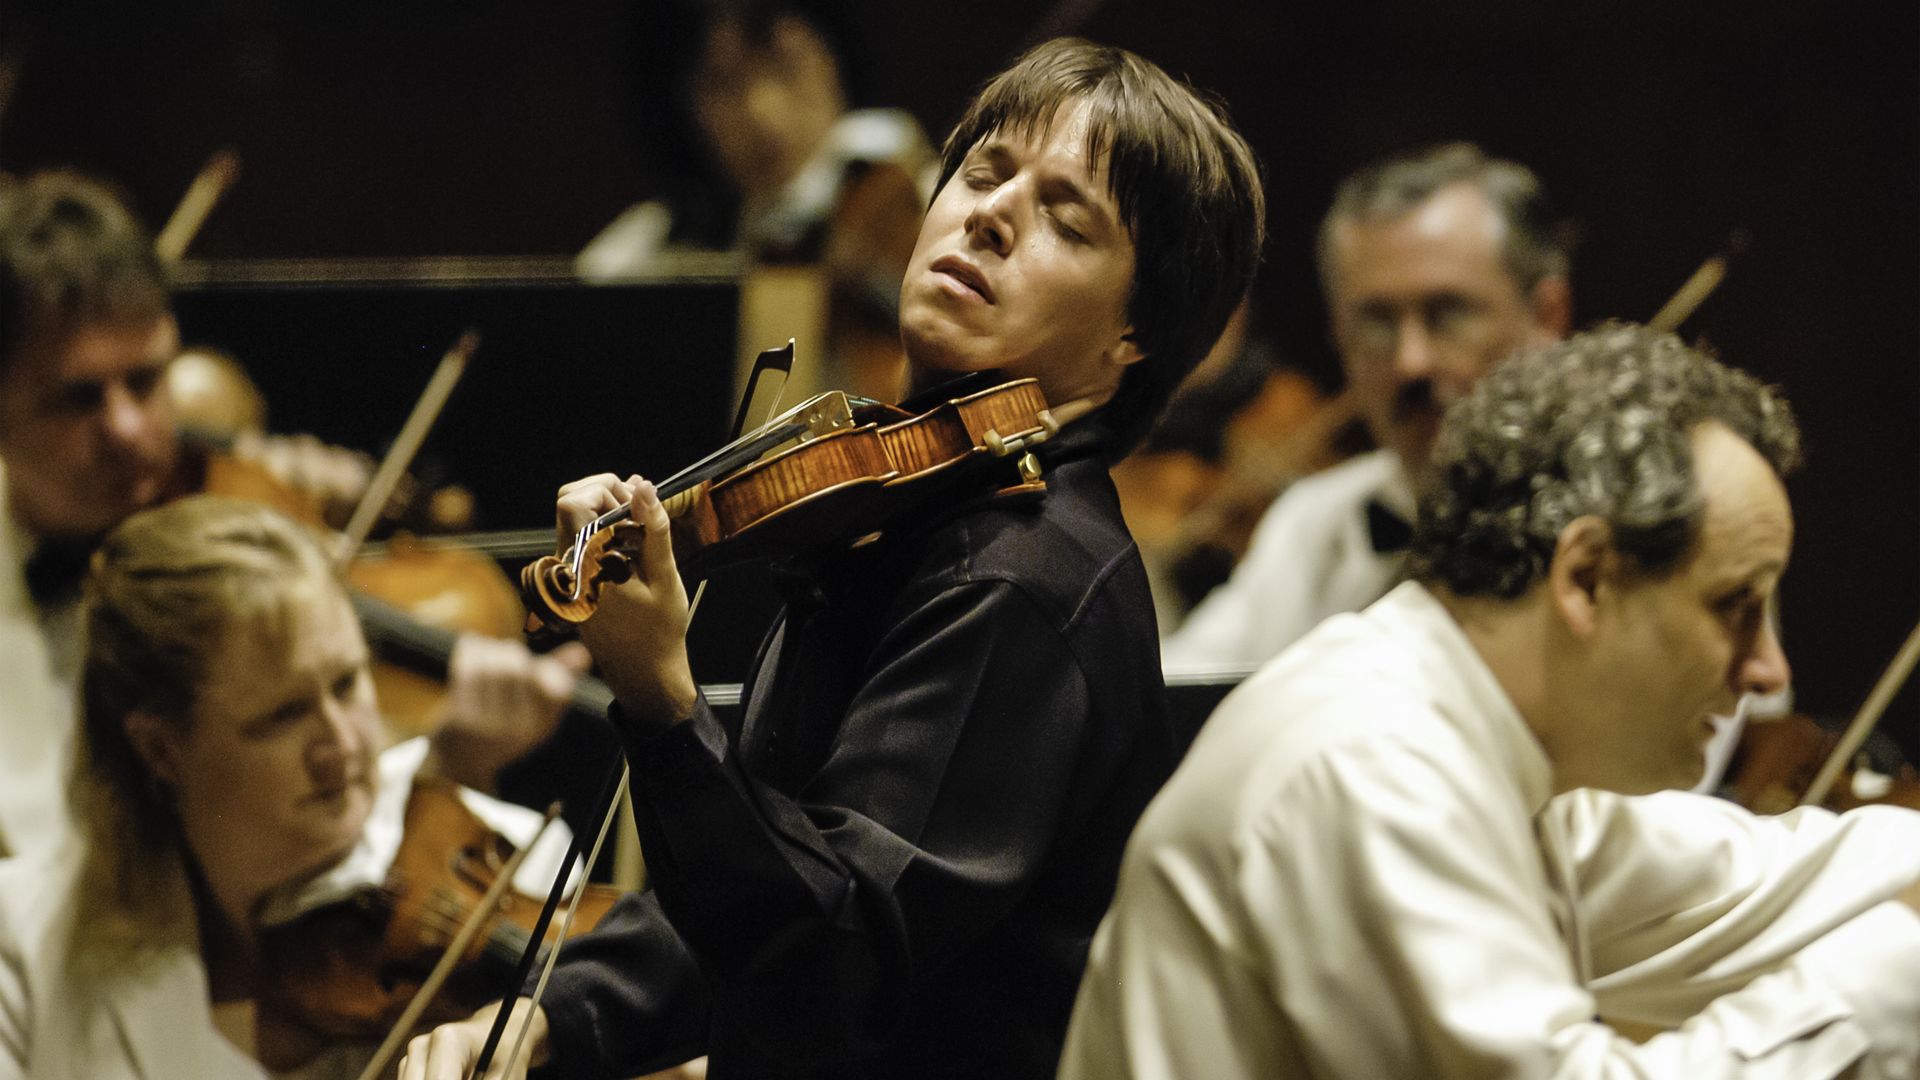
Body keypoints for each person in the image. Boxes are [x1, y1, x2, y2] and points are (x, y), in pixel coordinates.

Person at [401, 37, 1265, 1080]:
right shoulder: (917, 517)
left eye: (1066, 220)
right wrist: (564, 1018)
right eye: (984, 175)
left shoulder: (1022, 581)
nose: (989, 214)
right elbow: (765, 867)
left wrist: (667, 707)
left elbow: (824, 959)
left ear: (1134, 337)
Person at [1058, 324, 1920, 1079]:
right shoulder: (1375, 768)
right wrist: (1895, 977)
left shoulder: (1475, 742)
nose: (1768, 672)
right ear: (1586, 578)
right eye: (1736, 606)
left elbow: (1749, 882)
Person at [0, 170, 585, 859]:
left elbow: (326, 856)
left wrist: (453, 760)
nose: (128, 428)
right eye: (78, 398)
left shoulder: (242, 534)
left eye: (147, 379)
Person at [0, 496, 585, 1079]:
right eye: (282, 716)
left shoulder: (521, 863)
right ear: (162, 748)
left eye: (348, 681)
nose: (342, 744)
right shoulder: (26, 940)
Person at [1162, 142, 1570, 670]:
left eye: (1449, 313)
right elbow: (1176, 689)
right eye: (1376, 321)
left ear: (1548, 315)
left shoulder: (1626, 523)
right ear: (1338, 335)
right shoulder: (1311, 520)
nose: (1411, 363)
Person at [577, 0, 936, 401]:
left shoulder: (925, 199)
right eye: (720, 83)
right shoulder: (649, 252)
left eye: (786, 66)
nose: (762, 113)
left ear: (835, 54)